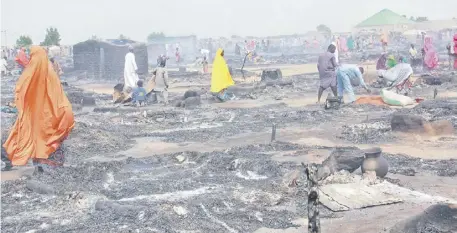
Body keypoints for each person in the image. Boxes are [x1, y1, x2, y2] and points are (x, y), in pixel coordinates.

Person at [3, 46, 74, 173]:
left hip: (40, 116)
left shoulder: (32, 73)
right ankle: (51, 168)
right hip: (53, 115)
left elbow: (21, 91)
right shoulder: (48, 71)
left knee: (40, 140)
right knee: (49, 142)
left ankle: (44, 168)